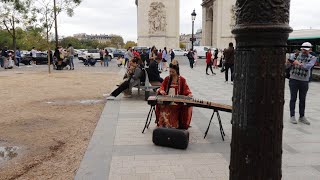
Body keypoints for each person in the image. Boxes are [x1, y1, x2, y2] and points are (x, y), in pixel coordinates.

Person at [156, 60, 193, 129]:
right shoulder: (167, 79)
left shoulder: (182, 80)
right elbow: (162, 87)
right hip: (167, 100)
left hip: (177, 102)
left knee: (174, 108)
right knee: (163, 107)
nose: (171, 73)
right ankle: (163, 124)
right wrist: (162, 91)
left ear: (177, 71)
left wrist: (189, 94)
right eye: (170, 71)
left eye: (173, 72)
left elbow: (186, 89)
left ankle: (173, 125)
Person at [287, 42, 317, 125]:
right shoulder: (294, 56)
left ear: (310, 50)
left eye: (307, 50)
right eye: (303, 49)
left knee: (302, 99)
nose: (305, 51)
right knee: (293, 98)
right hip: (293, 79)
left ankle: (302, 116)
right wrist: (288, 63)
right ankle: (292, 116)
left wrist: (298, 63)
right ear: (301, 48)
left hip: (304, 81)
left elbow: (307, 66)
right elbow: (286, 67)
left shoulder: (313, 58)